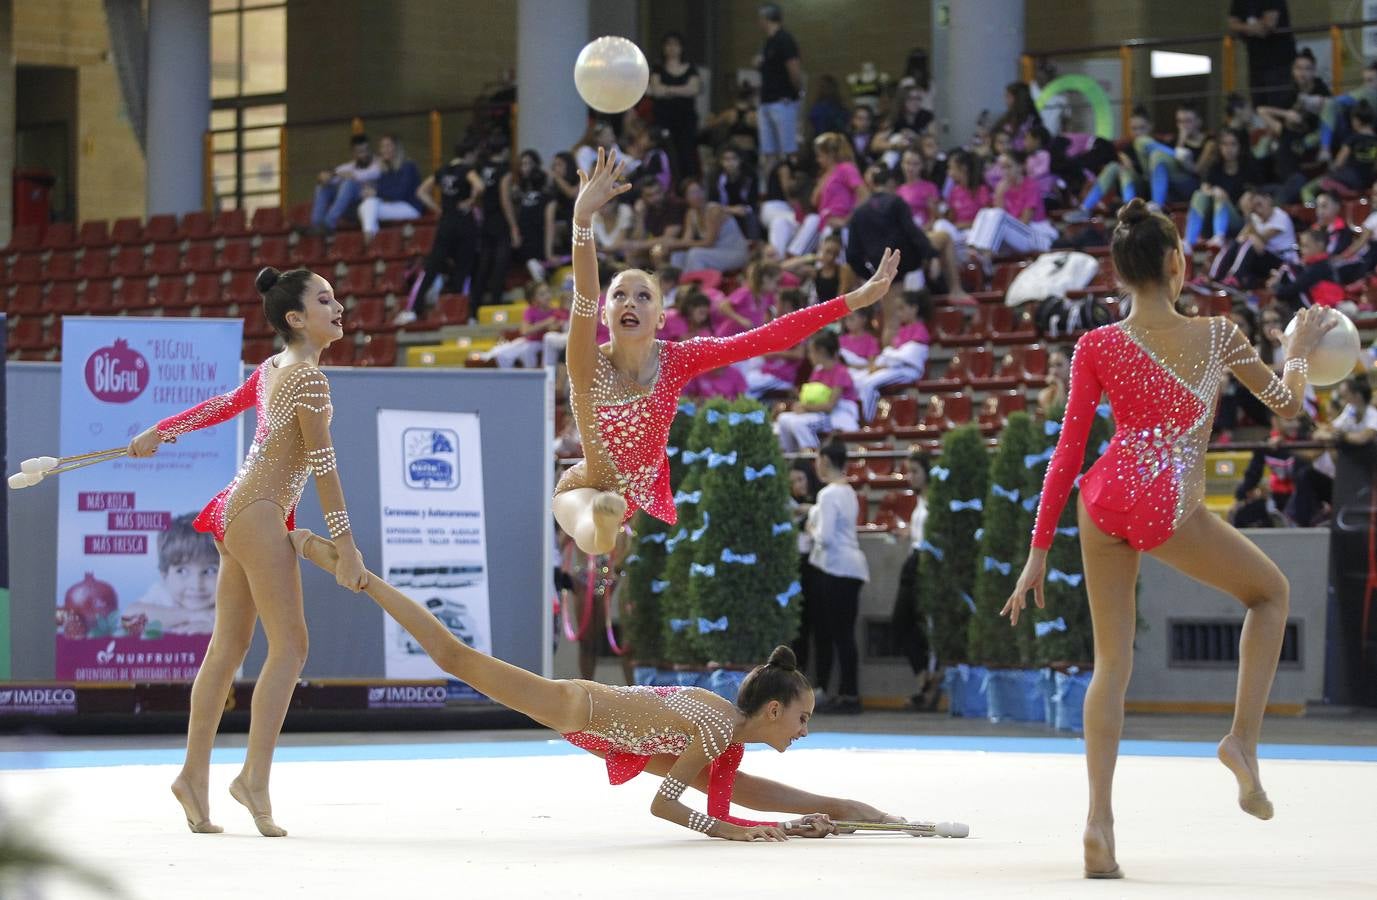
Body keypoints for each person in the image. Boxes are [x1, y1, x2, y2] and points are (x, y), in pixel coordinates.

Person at [1002, 198, 1338, 878]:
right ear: (1175, 263)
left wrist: (1038, 550)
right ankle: (1241, 742)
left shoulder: (1095, 344)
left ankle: (1097, 822)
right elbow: (1286, 404)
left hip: (1101, 502)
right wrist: (1295, 352)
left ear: (1120, 272)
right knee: (1270, 594)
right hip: (1166, 504)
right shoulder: (1218, 335)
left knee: (1110, 667)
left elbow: (1066, 452)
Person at [306, 529, 904, 839]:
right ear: (774, 709)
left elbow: (738, 798)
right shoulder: (720, 727)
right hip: (577, 705)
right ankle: (356, 573)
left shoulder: (725, 729)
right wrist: (734, 829)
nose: (806, 729)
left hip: (594, 721)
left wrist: (810, 816)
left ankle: (353, 573)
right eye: (804, 718)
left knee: (456, 656)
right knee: (454, 655)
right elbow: (665, 804)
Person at [554, 150, 900, 555]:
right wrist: (582, 221)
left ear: (663, 317)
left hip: (639, 490)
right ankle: (600, 525)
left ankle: (607, 522)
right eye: (620, 296)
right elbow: (584, 293)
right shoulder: (586, 361)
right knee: (584, 516)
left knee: (611, 525)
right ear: (606, 311)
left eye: (643, 296)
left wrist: (852, 301)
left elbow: (769, 337)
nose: (629, 303)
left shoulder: (677, 359)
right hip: (587, 485)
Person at [127, 266, 367, 838]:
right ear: (295, 317)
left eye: (337, 299)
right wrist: (347, 549)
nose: (339, 308)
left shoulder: (273, 368)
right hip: (258, 512)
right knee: (290, 647)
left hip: (241, 510)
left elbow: (224, 404)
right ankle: (253, 779)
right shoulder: (307, 378)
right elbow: (325, 470)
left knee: (229, 646)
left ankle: (191, 777)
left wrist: (164, 428)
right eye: (325, 300)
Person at [807, 440, 869, 715]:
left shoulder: (829, 494)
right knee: (845, 635)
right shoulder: (849, 492)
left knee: (837, 634)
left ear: (825, 461)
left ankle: (848, 694)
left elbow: (826, 537)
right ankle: (848, 691)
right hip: (852, 567)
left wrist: (811, 528)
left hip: (835, 567)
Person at [398, 141, 485, 325]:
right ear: (469, 155)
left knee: (432, 267)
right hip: (464, 223)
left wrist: (438, 209)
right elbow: (479, 186)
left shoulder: (443, 170)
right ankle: (462, 312)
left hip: (446, 223)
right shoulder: (467, 169)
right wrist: (469, 202)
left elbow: (421, 192)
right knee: (464, 268)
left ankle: (414, 309)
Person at [122, 513, 219, 636]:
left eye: (210, 571)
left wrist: (215, 627)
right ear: (164, 576)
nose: (196, 585)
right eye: (182, 571)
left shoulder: (233, 600)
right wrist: (191, 616)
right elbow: (128, 618)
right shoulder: (163, 594)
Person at [889, 451, 935, 707]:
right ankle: (924, 679)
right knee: (902, 624)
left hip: (924, 563)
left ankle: (927, 683)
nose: (910, 477)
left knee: (918, 624)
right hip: (913, 560)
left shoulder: (933, 502)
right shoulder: (919, 501)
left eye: (915, 471)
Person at [850, 289, 932, 422]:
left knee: (868, 385)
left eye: (902, 308)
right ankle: (866, 417)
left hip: (909, 371)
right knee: (860, 382)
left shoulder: (920, 330)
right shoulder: (903, 330)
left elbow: (907, 356)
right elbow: (892, 354)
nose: (899, 313)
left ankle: (867, 423)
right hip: (895, 368)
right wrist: (881, 363)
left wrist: (887, 358)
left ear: (914, 308)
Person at [773, 331, 860, 451]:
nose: (809, 355)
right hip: (819, 412)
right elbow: (809, 398)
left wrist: (805, 407)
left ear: (821, 352)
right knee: (783, 419)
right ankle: (791, 459)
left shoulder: (841, 373)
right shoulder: (818, 371)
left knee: (799, 424)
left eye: (811, 351)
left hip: (839, 415)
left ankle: (812, 458)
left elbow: (830, 406)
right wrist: (801, 406)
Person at [967, 151, 1058, 257]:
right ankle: (975, 253)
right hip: (1017, 234)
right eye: (1002, 168)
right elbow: (996, 219)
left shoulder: (1031, 185)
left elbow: (1025, 221)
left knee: (997, 215)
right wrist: (999, 194)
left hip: (1037, 235)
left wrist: (1003, 226)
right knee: (984, 212)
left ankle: (984, 257)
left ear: (1020, 167)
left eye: (1008, 167)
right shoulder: (1003, 188)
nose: (1005, 172)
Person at [659, 178, 750, 273]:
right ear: (686, 198)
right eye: (692, 193)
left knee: (695, 254)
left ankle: (693, 285)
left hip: (733, 252)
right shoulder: (691, 214)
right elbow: (686, 241)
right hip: (714, 252)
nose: (697, 195)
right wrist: (669, 246)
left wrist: (676, 243)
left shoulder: (714, 211)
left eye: (699, 191)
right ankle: (676, 285)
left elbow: (709, 243)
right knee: (677, 255)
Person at [756, 3, 804, 180]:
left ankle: (791, 184)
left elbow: (794, 68)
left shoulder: (785, 39)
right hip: (767, 101)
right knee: (768, 150)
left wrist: (796, 91)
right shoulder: (768, 42)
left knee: (788, 148)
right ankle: (770, 189)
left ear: (766, 19)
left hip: (782, 101)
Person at [649, 32, 703, 178]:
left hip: (685, 119)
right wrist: (681, 90)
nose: (672, 48)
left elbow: (694, 89)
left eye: (675, 44)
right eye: (668, 44)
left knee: (687, 153)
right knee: (667, 152)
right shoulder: (658, 68)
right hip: (664, 118)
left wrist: (668, 89)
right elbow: (657, 91)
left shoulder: (691, 68)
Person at [473, 136, 518, 310]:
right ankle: (495, 303)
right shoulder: (503, 170)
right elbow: (504, 199)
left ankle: (474, 306)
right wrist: (513, 226)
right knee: (500, 262)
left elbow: (477, 195)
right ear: (505, 150)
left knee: (483, 263)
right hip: (500, 220)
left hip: (485, 219)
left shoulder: (481, 167)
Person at [788, 459, 824, 676]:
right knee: (798, 630)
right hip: (795, 567)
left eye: (801, 479)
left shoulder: (819, 503)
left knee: (816, 626)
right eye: (793, 482)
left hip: (815, 568)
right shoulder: (788, 505)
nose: (798, 486)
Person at [480, 280, 568, 368]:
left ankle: (541, 374)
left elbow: (556, 329)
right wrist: (546, 323)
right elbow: (525, 331)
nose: (547, 296)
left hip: (545, 344)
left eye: (548, 291)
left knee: (531, 350)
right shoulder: (530, 311)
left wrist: (556, 326)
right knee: (506, 353)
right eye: (542, 294)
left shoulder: (556, 311)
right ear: (533, 299)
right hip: (530, 342)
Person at [1228, 1, 1297, 109]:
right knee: (1258, 105)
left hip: (1280, 61)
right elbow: (1232, 25)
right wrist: (1254, 28)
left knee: (1280, 104)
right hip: (1256, 62)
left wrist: (1244, 28)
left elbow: (1269, 25)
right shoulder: (1238, 2)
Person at [310, 133, 380, 234]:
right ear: (353, 153)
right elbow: (333, 176)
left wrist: (341, 175)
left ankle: (328, 224)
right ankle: (316, 225)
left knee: (349, 183)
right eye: (360, 152)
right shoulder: (349, 166)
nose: (364, 154)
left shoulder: (378, 163)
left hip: (365, 209)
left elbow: (367, 174)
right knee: (322, 187)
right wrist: (324, 177)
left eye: (366, 150)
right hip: (347, 209)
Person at [357, 135, 422, 241]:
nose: (384, 150)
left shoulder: (408, 166)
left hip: (411, 207)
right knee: (365, 206)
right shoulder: (385, 170)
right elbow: (383, 193)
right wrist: (370, 193)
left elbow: (399, 194)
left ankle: (370, 239)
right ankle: (372, 238)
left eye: (388, 146)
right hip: (394, 206)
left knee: (367, 207)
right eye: (382, 147)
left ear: (396, 148)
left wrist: (375, 193)